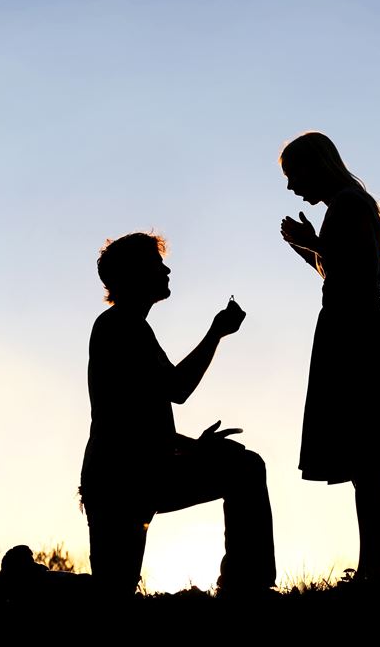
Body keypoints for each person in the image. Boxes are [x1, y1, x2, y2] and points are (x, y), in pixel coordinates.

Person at [79, 232, 276, 598]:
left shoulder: (129, 326)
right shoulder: (119, 327)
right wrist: (216, 332)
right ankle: (25, 580)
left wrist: (194, 447)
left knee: (244, 467)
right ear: (135, 274)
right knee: (112, 591)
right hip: (122, 480)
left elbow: (141, 418)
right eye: (157, 264)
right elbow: (175, 389)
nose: (167, 270)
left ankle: (245, 586)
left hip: (135, 474)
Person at [279, 131, 380, 588]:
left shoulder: (349, 204)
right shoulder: (348, 205)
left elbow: (350, 271)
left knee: (366, 465)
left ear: (316, 165)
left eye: (294, 174)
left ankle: (379, 576)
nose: (292, 186)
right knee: (363, 467)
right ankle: (374, 572)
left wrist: (312, 242)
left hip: (354, 338)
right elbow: (340, 270)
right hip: (351, 333)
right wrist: (308, 247)